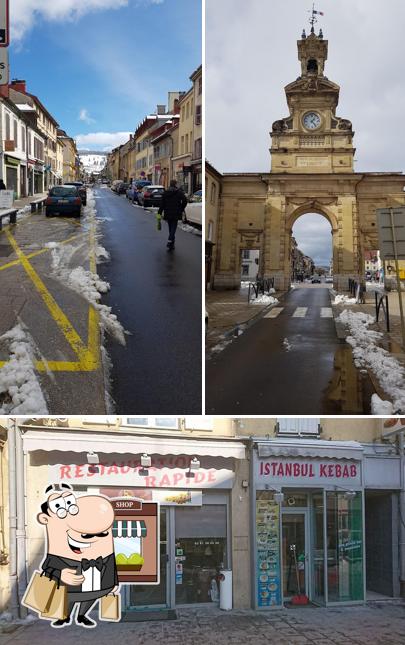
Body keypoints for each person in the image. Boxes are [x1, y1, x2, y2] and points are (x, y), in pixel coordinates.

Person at [32, 484, 119, 629]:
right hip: (71, 588)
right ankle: (65, 617)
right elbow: (47, 566)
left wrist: (113, 583)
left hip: (95, 586)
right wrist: (60, 574)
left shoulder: (105, 555)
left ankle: (82, 615)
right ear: (45, 519)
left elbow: (110, 566)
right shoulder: (58, 556)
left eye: (101, 533)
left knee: (90, 597)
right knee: (69, 598)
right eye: (85, 535)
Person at [158, 179, 188, 250]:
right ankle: (170, 241)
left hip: (168, 212)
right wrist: (181, 208)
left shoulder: (165, 193)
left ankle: (172, 244)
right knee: (173, 228)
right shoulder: (179, 192)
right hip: (176, 212)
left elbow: (162, 204)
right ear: (175, 184)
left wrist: (159, 213)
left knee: (171, 228)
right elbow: (185, 200)